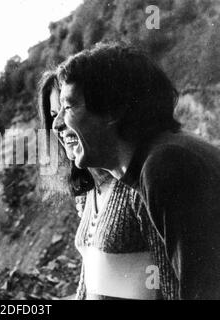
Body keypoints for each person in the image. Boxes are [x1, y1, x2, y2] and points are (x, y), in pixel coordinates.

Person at [55, 42, 220, 299]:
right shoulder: (161, 157)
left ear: (113, 109)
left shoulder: (167, 164)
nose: (56, 124)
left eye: (68, 107)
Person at [38, 71, 178, 300]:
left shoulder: (138, 186)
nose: (57, 125)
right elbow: (90, 280)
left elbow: (170, 284)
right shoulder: (87, 192)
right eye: (53, 114)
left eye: (68, 109)